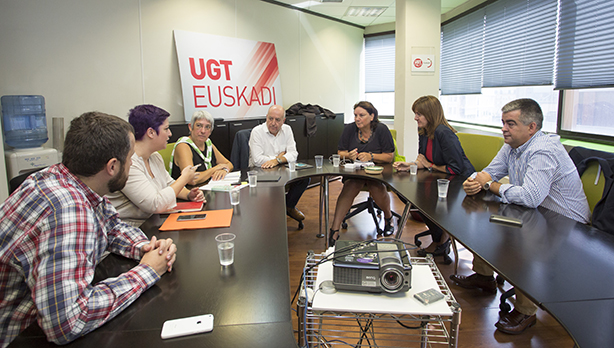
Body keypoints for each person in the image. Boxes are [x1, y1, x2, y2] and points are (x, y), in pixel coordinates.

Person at [0, 112, 177, 347]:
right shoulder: (67, 209)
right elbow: (68, 321)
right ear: (113, 166)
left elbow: (112, 227)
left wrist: (144, 246)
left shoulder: (63, 177)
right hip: (21, 337)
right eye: (130, 159)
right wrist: (147, 271)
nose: (131, 164)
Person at [450, 98, 590, 335]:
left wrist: (491, 185)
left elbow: (531, 196)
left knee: (523, 244)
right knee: (482, 223)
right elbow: (489, 172)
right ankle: (484, 277)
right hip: (536, 214)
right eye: (504, 122)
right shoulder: (512, 145)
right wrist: (475, 181)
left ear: (532, 127)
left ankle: (526, 311)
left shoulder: (543, 149)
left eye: (511, 123)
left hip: (567, 224)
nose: (504, 128)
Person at [393, 95, 475, 258]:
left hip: (459, 182)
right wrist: (409, 165)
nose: (415, 118)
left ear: (430, 114)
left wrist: (429, 166)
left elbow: (455, 168)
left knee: (424, 199)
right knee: (408, 195)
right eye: (415, 113)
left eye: (419, 114)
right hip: (439, 177)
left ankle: (441, 239)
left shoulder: (444, 133)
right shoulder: (423, 131)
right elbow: (422, 158)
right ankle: (440, 236)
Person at [107, 104, 205, 227]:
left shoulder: (154, 156)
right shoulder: (129, 163)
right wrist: (185, 178)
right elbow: (155, 204)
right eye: (166, 129)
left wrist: (188, 194)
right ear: (151, 132)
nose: (170, 134)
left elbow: (169, 184)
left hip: (153, 222)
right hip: (133, 229)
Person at [329, 101, 395, 246]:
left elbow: (389, 156)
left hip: (376, 172)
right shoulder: (349, 129)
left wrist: (371, 156)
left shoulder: (382, 130)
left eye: (361, 115)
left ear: (372, 116)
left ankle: (388, 218)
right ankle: (334, 230)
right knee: (350, 186)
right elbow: (340, 152)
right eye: (355, 115)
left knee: (376, 187)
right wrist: (349, 155)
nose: (357, 118)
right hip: (356, 171)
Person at [249, 104, 310, 221]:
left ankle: (288, 206)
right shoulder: (257, 132)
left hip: (281, 168)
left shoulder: (287, 130)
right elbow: (257, 160)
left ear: (283, 120)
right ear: (266, 117)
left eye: (277, 120)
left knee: (304, 179)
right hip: (261, 171)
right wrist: (280, 157)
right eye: (270, 119)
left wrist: (276, 160)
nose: (273, 123)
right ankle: (273, 214)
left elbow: (293, 154)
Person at [170, 110, 233, 186]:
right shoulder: (183, 145)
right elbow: (190, 179)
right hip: (186, 193)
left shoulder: (208, 143)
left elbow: (228, 164)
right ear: (190, 127)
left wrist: (224, 170)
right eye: (199, 126)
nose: (203, 131)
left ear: (210, 131)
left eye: (207, 127)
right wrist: (215, 169)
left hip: (206, 189)